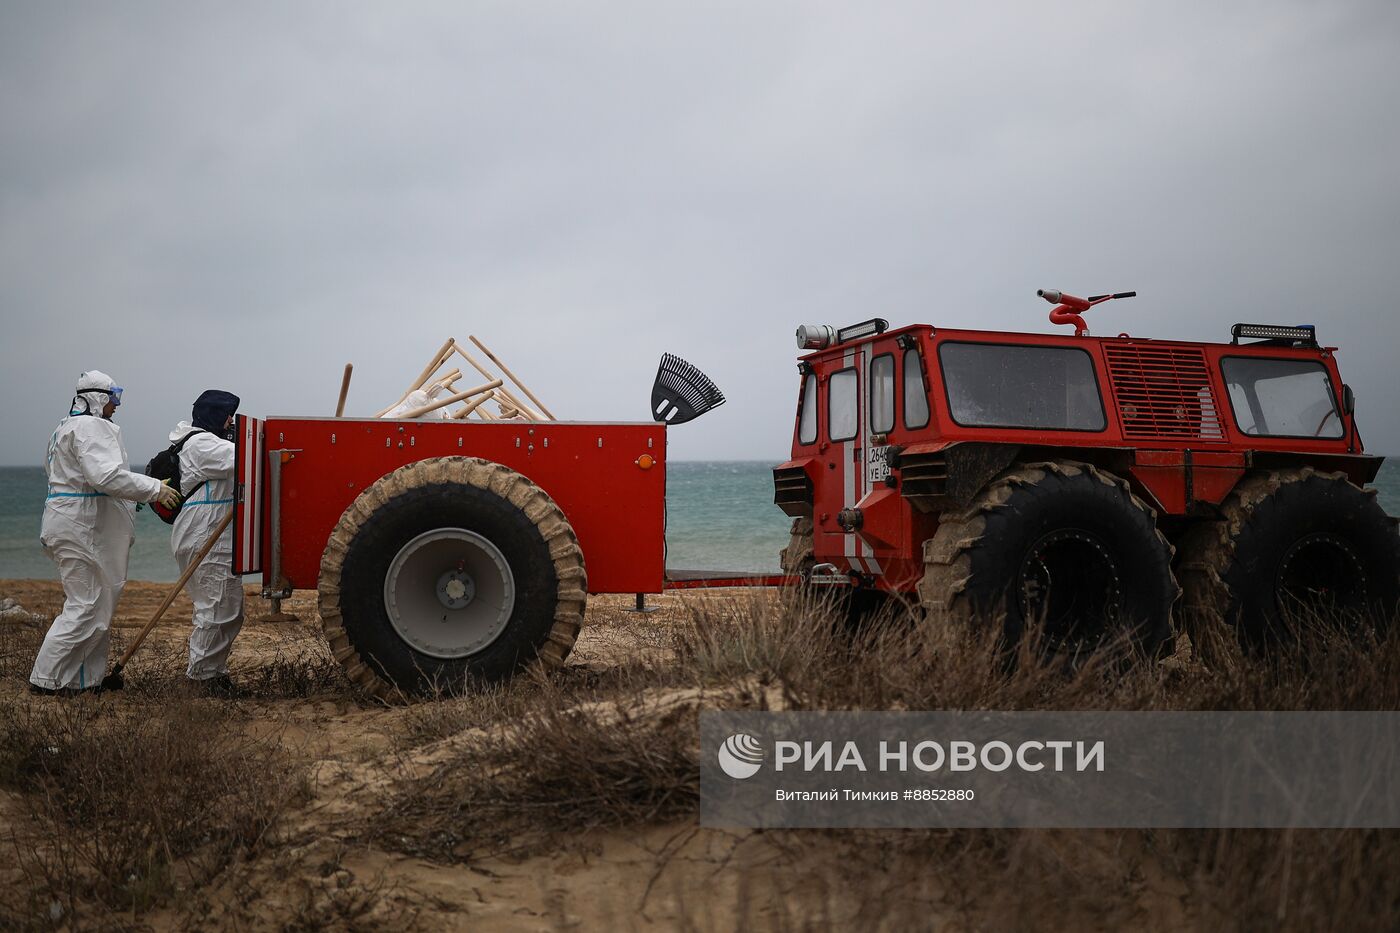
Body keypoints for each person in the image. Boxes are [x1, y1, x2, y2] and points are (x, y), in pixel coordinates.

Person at [31, 371, 182, 695]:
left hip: (73, 523)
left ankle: (84, 680)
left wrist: (127, 498)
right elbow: (105, 476)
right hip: (81, 528)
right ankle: (45, 679)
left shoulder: (64, 427)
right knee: (86, 604)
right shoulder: (90, 427)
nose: (117, 404)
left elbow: (82, 481)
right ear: (98, 398)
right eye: (114, 397)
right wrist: (153, 489)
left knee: (97, 605)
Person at [169, 389, 243, 695]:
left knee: (225, 608)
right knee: (217, 607)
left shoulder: (207, 441)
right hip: (204, 532)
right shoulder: (201, 443)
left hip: (208, 531)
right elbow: (242, 458)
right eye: (228, 416)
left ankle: (212, 673)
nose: (231, 422)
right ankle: (201, 679)